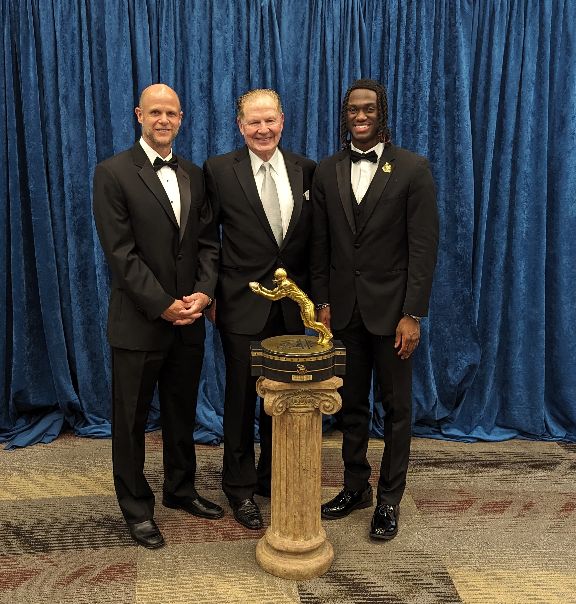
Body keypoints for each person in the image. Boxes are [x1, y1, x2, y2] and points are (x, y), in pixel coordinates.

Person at [93, 84, 223, 549]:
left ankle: (180, 488)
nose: (163, 119)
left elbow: (208, 243)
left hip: (189, 320)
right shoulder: (112, 173)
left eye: (171, 112)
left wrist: (203, 295)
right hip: (139, 321)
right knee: (128, 421)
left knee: (181, 411)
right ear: (139, 116)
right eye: (155, 112)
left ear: (182, 117)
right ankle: (135, 508)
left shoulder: (193, 172)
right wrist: (163, 303)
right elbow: (120, 254)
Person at [311, 79, 439, 540]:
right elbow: (320, 247)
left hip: (393, 315)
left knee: (397, 409)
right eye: (352, 110)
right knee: (351, 407)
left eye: (368, 109)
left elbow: (423, 248)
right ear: (344, 115)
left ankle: (389, 501)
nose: (360, 116)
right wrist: (322, 303)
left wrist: (413, 313)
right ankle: (355, 486)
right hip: (344, 313)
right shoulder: (326, 171)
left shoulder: (412, 168)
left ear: (382, 112)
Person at [204, 89, 316, 529]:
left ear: (283, 121)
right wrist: (211, 293)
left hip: (291, 310)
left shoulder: (306, 169)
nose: (263, 129)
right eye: (254, 122)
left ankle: (274, 476)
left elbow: (313, 243)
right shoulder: (218, 171)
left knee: (285, 399)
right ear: (240, 126)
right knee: (240, 399)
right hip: (241, 304)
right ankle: (239, 488)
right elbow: (206, 240)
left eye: (270, 120)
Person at [249, 268, 332, 345]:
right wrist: (261, 288)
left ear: (281, 278)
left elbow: (274, 297)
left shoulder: (286, 285)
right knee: (308, 324)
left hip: (307, 305)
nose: (275, 280)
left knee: (311, 323)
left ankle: (327, 334)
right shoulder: (284, 282)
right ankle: (323, 334)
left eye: (277, 278)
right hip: (303, 305)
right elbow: (272, 292)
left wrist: (259, 291)